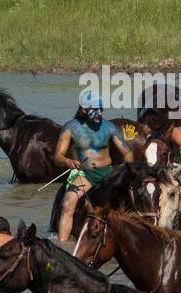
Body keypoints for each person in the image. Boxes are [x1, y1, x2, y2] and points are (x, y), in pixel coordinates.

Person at [54, 91, 133, 242]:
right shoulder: (71, 128)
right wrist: (67, 162)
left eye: (101, 109)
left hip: (108, 173)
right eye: (94, 110)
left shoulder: (109, 127)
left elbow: (127, 153)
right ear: (84, 109)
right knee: (67, 203)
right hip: (86, 175)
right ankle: (63, 245)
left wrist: (125, 170)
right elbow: (57, 156)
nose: (98, 113)